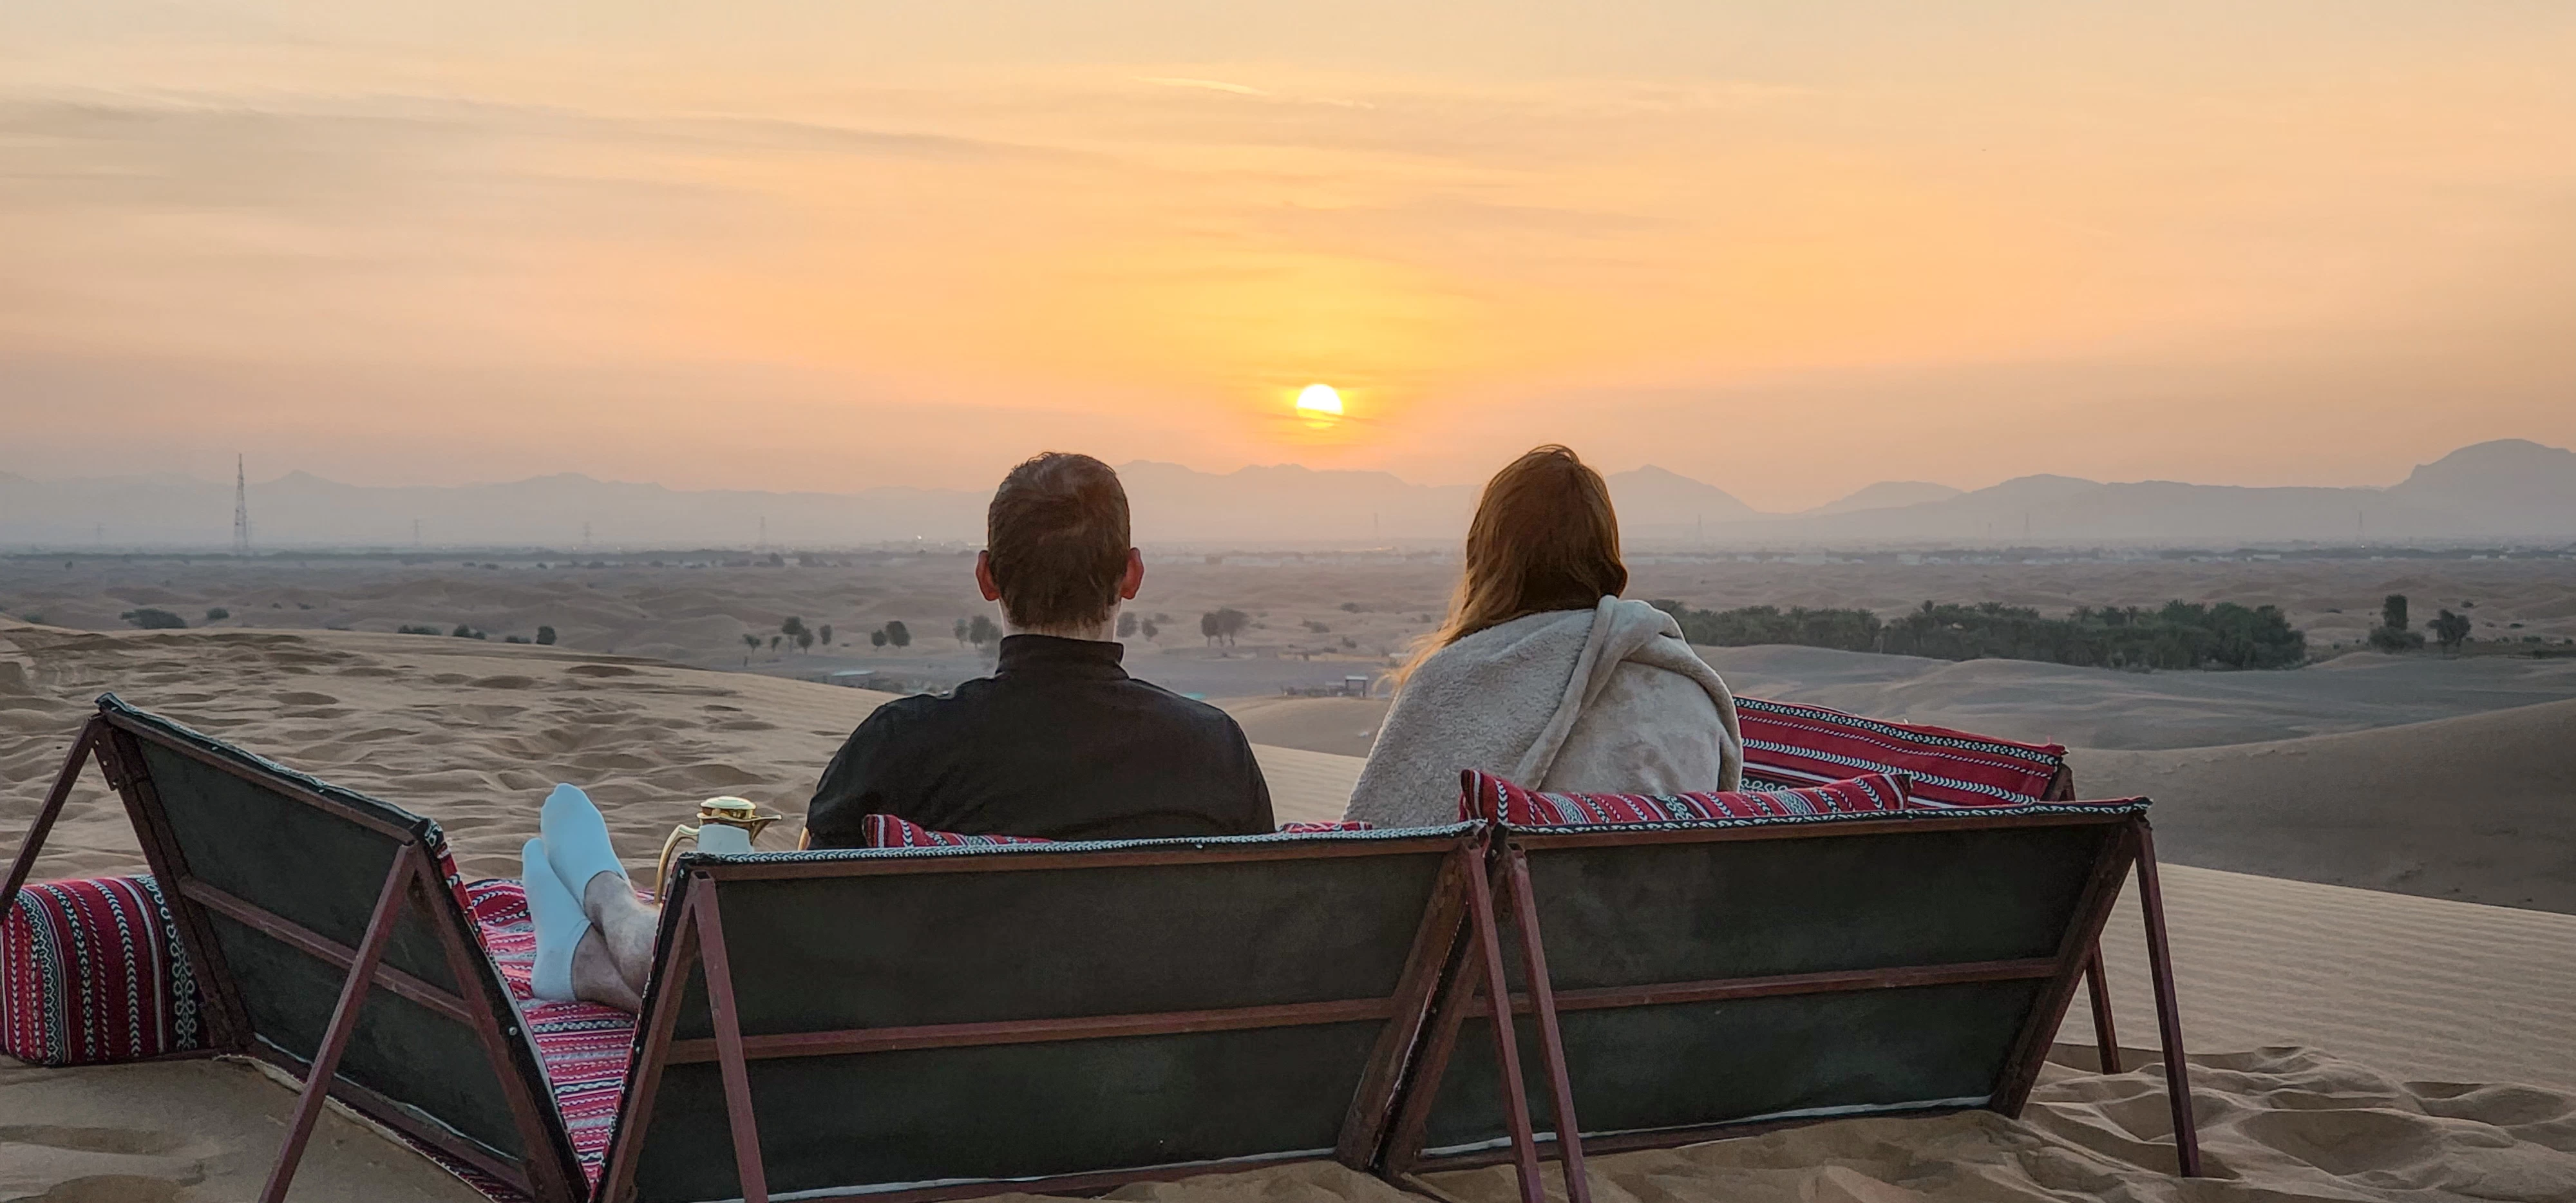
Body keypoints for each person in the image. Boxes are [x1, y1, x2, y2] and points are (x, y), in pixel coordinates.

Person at [524, 451, 1276, 1010]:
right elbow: (1258, 940)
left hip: (925, 1098)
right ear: (1132, 574)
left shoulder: (902, 746)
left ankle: (607, 898)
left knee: (718, 957)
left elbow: (791, 952)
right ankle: (581, 957)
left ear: (986, 576)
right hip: (1152, 1094)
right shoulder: (1215, 751)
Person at [1343, 445, 1742, 828]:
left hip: (1529, 879)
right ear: (1606, 550)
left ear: (1488, 555)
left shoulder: (1450, 684)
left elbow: (1383, 846)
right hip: (1674, 880)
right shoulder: (1690, 693)